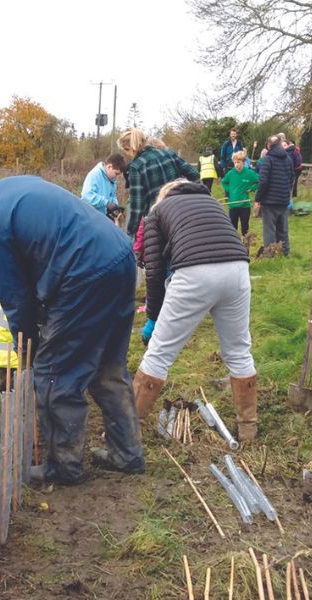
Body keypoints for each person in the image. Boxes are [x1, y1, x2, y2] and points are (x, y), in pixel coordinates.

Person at [0, 176, 145, 485]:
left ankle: (64, 467)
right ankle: (127, 453)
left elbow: (16, 301)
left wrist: (31, 353)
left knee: (55, 375)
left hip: (82, 272)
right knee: (108, 365)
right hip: (119, 257)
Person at [133, 179, 258, 441]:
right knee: (238, 350)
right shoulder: (211, 202)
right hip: (237, 269)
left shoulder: (158, 211)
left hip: (194, 273)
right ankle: (248, 429)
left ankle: (126, 433)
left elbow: (154, 271)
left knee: (159, 353)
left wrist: (153, 317)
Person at [117, 128, 200, 240]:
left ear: (129, 149)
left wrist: (131, 232)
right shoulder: (169, 154)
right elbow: (194, 175)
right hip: (181, 212)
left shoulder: (136, 167)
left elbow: (137, 207)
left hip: (157, 220)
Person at [255, 136, 295, 256]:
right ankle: (285, 252)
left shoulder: (268, 159)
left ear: (268, 146)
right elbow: (292, 177)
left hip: (269, 201)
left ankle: (270, 254)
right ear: (280, 144)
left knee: (269, 230)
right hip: (283, 199)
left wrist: (258, 198)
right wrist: (286, 192)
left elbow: (263, 181)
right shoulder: (288, 159)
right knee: (282, 229)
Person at [221, 150, 260, 236]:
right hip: (233, 205)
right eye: (235, 163)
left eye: (238, 162)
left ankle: (245, 246)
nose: (236, 165)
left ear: (243, 162)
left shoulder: (249, 173)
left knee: (245, 228)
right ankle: (234, 246)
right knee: (232, 228)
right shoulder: (230, 173)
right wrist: (228, 189)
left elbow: (260, 180)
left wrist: (252, 188)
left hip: (244, 206)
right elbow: (223, 182)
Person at [81, 153, 127, 221]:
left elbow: (112, 196)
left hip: (101, 217)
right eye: (116, 173)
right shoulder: (95, 174)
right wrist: (106, 203)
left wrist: (115, 206)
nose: (117, 177)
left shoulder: (112, 180)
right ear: (109, 167)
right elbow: (87, 195)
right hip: (89, 217)